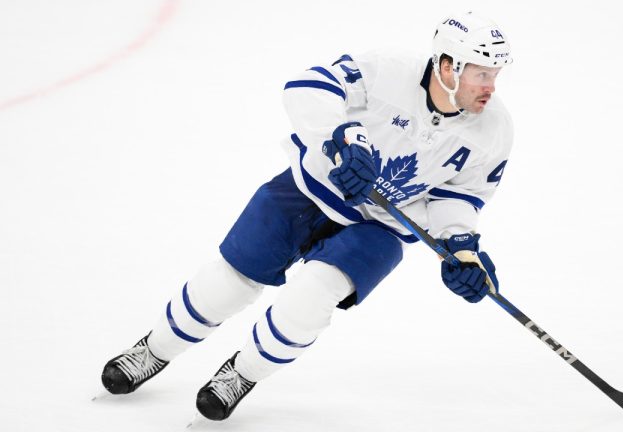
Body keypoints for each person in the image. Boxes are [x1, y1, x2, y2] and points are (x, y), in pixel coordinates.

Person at [100, 11, 513, 421]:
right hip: (309, 190)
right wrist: (344, 140)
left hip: (380, 227)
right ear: (448, 67)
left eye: (495, 75)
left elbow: (460, 196)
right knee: (230, 284)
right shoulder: (387, 70)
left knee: (309, 299)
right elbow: (305, 87)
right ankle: (153, 349)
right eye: (482, 75)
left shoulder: (494, 130)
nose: (491, 88)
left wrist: (459, 248)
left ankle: (242, 375)